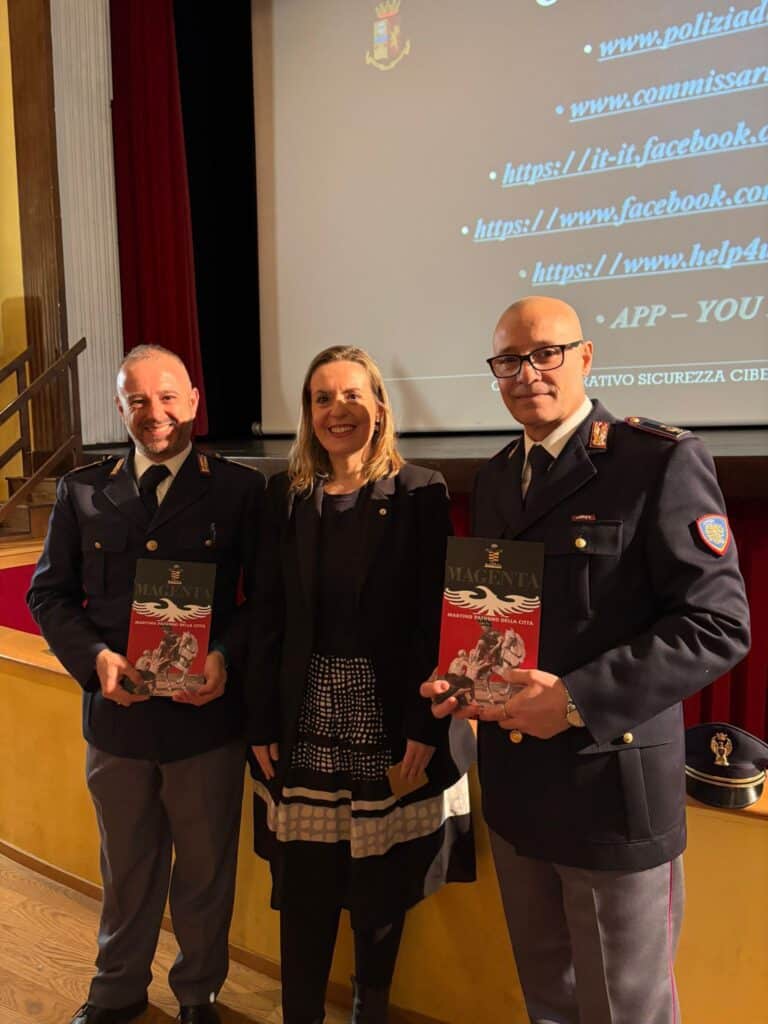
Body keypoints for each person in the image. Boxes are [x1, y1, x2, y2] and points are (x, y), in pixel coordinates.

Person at [422, 296, 750, 1024]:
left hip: (611, 791)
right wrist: (465, 678)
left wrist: (573, 698)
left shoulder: (656, 460)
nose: (527, 373)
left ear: (586, 357)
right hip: (517, 789)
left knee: (623, 1010)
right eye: (509, 360)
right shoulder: (503, 475)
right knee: (550, 1004)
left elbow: (718, 625)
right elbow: (502, 617)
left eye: (545, 353)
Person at [27, 345, 265, 1024]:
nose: (153, 413)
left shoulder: (241, 490)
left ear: (193, 401)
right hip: (118, 720)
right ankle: (117, 990)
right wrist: (95, 660)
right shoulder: (81, 490)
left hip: (204, 722)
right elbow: (50, 596)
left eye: (166, 398)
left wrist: (223, 654)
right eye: (138, 400)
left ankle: (199, 995)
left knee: (204, 872)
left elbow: (267, 600)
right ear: (120, 408)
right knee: (125, 869)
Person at [247, 345, 474, 1024]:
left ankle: (369, 1009)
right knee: (304, 883)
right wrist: (259, 722)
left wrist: (424, 726)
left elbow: (437, 622)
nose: (337, 410)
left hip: (388, 720)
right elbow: (265, 614)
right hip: (303, 716)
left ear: (379, 406)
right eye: (322, 398)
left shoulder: (420, 491)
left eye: (352, 395)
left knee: (380, 888)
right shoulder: (284, 495)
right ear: (307, 413)